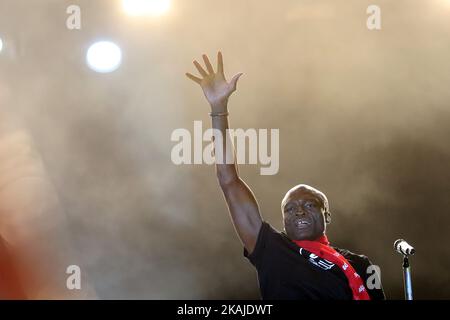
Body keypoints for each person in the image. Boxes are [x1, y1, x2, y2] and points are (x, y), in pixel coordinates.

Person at [186, 52, 385, 300]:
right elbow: (229, 181)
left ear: (327, 215)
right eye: (290, 209)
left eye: (309, 205)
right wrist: (218, 109)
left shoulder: (360, 265)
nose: (298, 212)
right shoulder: (273, 250)